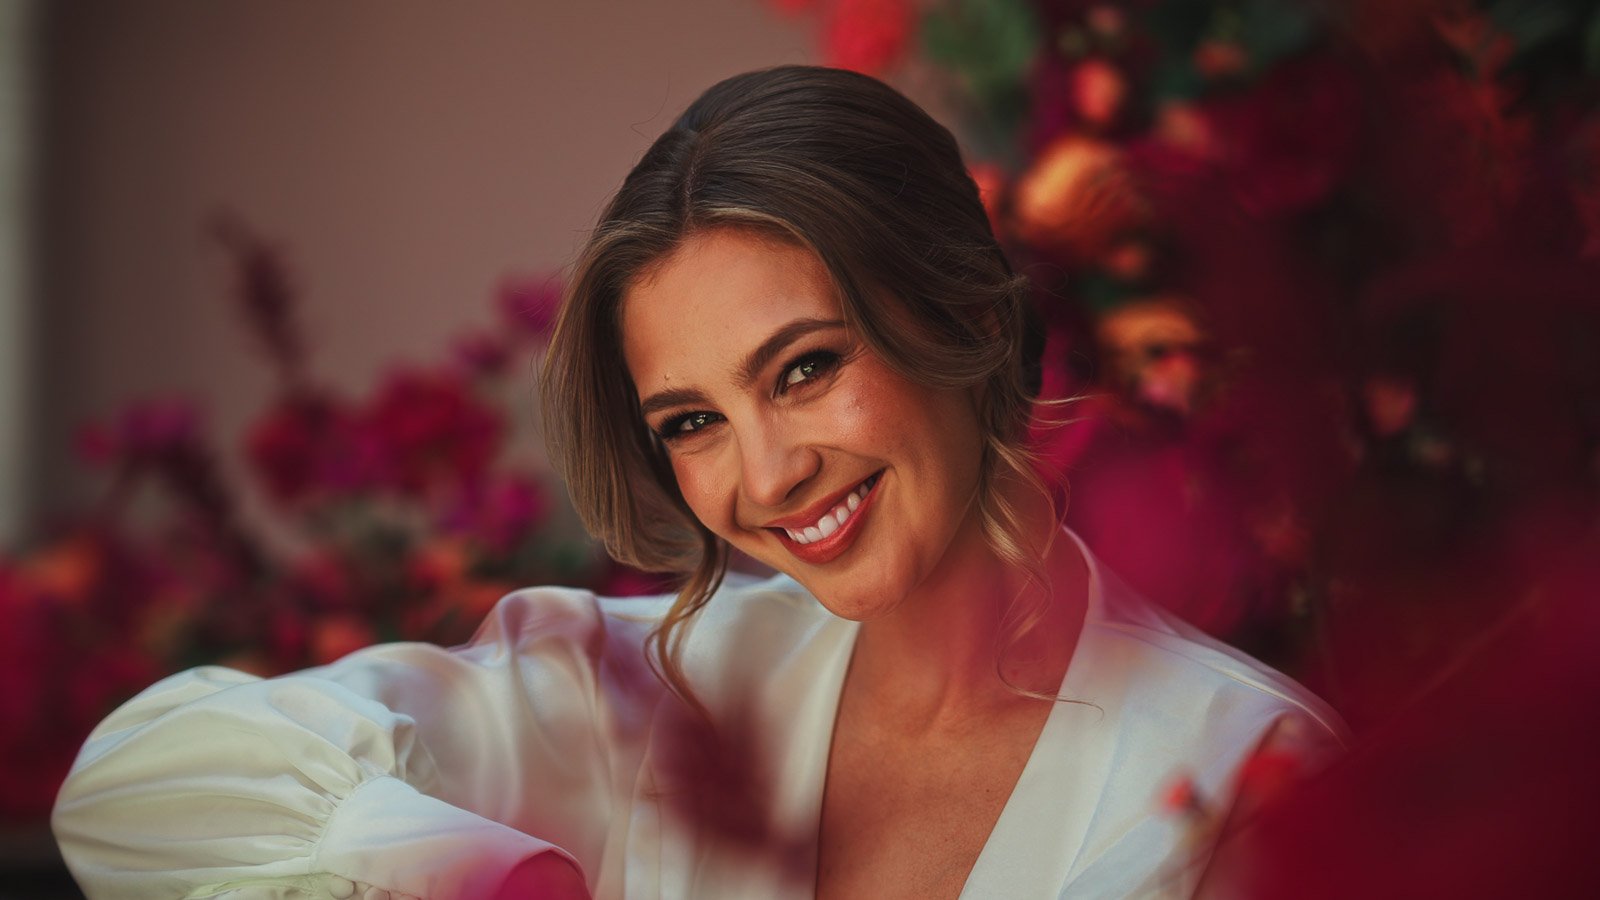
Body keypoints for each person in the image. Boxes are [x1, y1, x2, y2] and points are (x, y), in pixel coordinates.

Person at [52, 66, 1344, 899]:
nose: (769, 476)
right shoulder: (646, 693)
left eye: (805, 367)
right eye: (691, 421)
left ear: (975, 322)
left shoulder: (1243, 768)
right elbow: (133, 796)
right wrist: (492, 884)